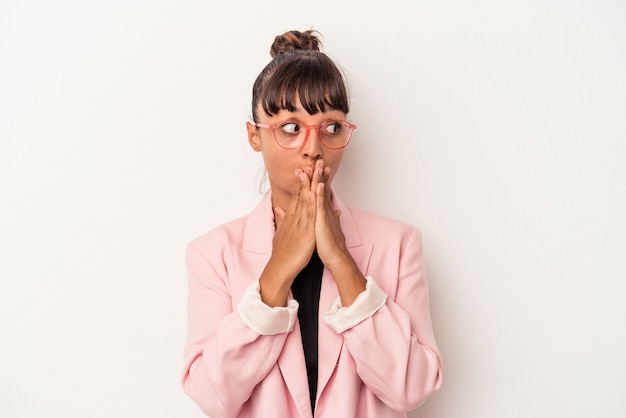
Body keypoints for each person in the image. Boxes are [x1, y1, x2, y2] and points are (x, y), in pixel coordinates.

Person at [181, 29, 442, 418]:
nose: (313, 147)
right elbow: (212, 396)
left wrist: (341, 260)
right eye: (290, 128)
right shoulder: (212, 254)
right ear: (255, 136)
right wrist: (278, 271)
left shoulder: (398, 244)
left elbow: (412, 388)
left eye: (331, 127)